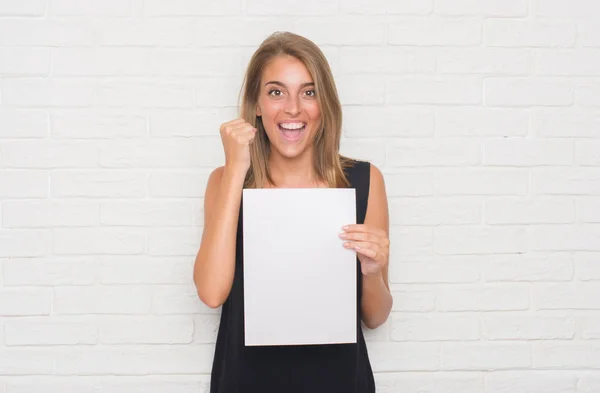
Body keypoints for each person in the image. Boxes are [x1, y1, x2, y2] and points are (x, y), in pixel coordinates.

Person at [193, 31, 393, 393]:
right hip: (247, 380)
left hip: (339, 380)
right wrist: (237, 169)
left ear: (324, 104)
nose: (293, 109)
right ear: (256, 104)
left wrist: (373, 271)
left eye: (309, 92)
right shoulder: (224, 180)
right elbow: (211, 292)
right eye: (275, 92)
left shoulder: (364, 181)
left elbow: (376, 317)